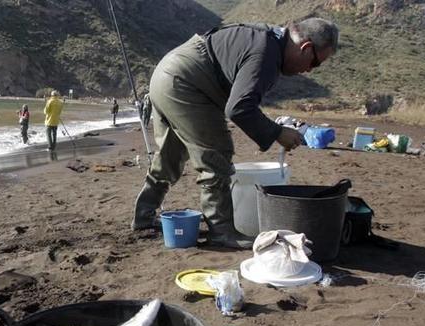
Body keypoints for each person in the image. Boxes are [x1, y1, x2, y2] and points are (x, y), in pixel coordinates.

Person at [131, 18, 338, 249]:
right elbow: (239, 108)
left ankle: (144, 216)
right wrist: (278, 132)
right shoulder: (267, 54)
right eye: (315, 63)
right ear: (306, 48)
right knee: (217, 153)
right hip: (188, 84)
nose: (309, 70)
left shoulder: (265, 38)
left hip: (166, 74)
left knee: (171, 153)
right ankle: (222, 231)